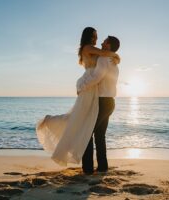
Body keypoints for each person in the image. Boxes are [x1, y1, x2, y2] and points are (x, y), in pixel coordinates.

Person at [36, 27, 119, 167]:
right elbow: (101, 62)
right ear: (87, 37)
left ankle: (91, 167)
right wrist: (115, 55)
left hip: (95, 93)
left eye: (98, 37)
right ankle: (96, 166)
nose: (97, 40)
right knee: (86, 128)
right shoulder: (88, 49)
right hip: (93, 92)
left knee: (84, 129)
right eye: (94, 36)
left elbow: (99, 72)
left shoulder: (105, 57)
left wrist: (113, 56)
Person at [77, 36, 120, 174]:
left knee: (87, 132)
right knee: (100, 135)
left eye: (104, 41)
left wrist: (81, 86)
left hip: (102, 101)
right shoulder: (113, 61)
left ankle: (88, 169)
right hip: (110, 102)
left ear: (108, 45)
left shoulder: (103, 59)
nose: (101, 42)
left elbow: (96, 77)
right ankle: (102, 167)